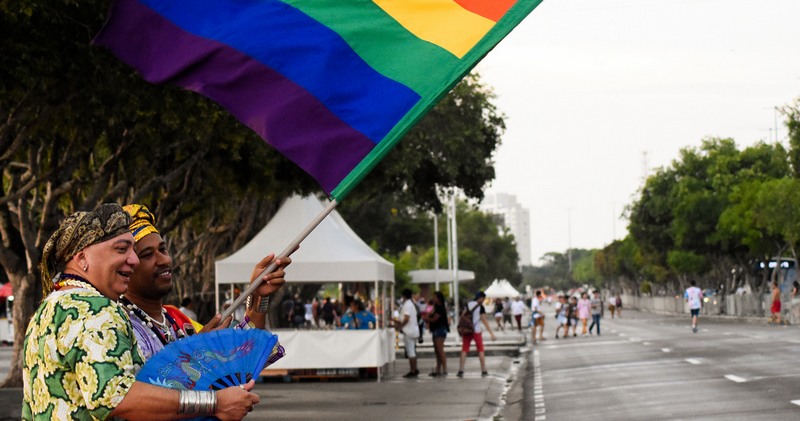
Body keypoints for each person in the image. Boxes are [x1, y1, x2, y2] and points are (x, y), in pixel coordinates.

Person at [23, 203, 258, 420]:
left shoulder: (47, 309)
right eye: (122, 249)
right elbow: (116, 397)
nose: (133, 260)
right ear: (82, 257)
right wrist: (214, 403)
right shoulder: (98, 310)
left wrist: (259, 298)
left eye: (134, 251)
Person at [122, 204, 290, 360]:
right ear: (124, 267)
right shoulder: (116, 325)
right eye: (147, 254)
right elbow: (133, 390)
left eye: (162, 249)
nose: (163, 260)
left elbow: (239, 362)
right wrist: (197, 351)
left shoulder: (177, 319)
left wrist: (258, 296)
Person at [457, 291, 496, 378]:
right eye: (483, 298)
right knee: (480, 350)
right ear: (481, 298)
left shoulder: (468, 304)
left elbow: (462, 316)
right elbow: (484, 321)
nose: (483, 300)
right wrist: (491, 333)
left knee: (464, 349)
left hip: (467, 330)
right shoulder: (480, 307)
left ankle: (461, 370)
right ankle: (483, 370)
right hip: (476, 331)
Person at [394, 289, 421, 378]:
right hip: (412, 330)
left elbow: (406, 318)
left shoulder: (407, 305)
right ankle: (415, 369)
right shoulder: (410, 304)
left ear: (404, 296)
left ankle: (412, 370)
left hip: (408, 331)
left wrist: (401, 326)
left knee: (411, 352)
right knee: (412, 351)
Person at [422, 291, 449, 377]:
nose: (433, 299)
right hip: (435, 330)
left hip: (440, 330)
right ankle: (438, 368)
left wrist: (425, 318)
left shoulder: (440, 308)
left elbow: (434, 319)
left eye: (435, 297)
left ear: (439, 298)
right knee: (437, 350)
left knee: (440, 350)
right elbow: (430, 315)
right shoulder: (435, 307)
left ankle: (444, 369)